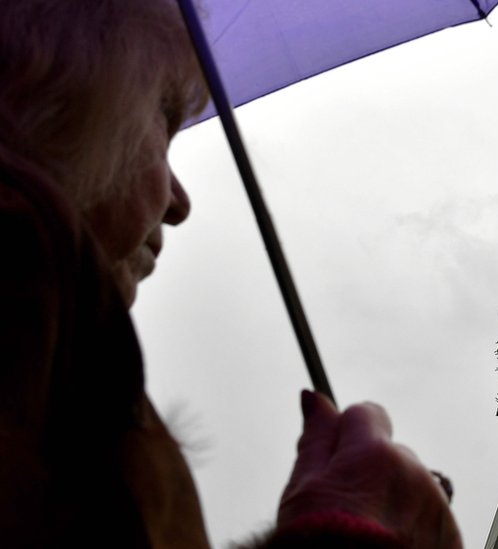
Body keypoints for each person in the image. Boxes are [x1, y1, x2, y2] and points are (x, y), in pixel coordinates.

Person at [0, 1, 460, 547]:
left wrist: (322, 516)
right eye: (164, 126)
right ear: (54, 100)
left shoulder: (62, 367)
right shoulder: (18, 273)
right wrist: (344, 532)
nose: (179, 202)